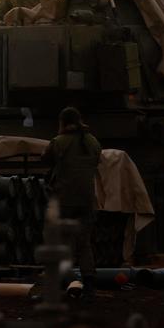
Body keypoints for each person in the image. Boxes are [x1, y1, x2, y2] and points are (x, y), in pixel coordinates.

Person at [41, 106, 101, 292]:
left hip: (64, 200)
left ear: (62, 123)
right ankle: (89, 284)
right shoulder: (93, 142)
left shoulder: (59, 142)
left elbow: (45, 159)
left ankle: (61, 284)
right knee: (84, 243)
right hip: (87, 201)